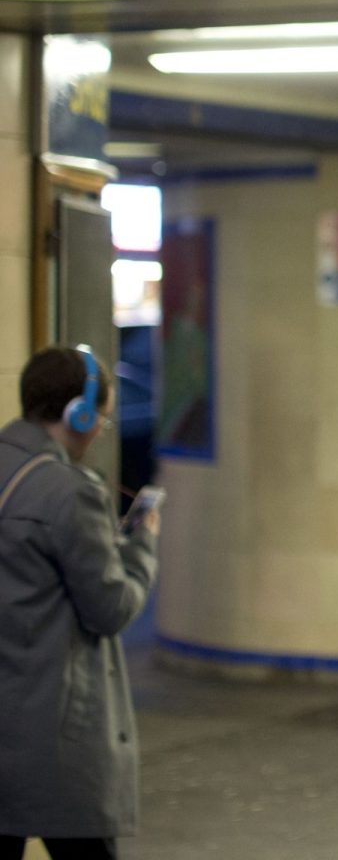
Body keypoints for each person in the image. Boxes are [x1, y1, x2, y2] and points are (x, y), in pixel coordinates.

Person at [0, 346, 158, 859]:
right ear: (78, 413)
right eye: (102, 420)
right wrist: (141, 546)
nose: (99, 432)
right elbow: (110, 608)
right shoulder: (69, 492)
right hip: (51, 732)